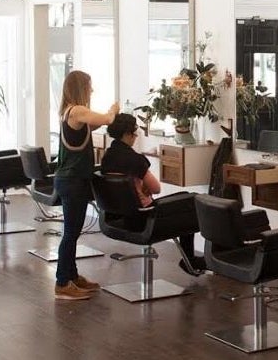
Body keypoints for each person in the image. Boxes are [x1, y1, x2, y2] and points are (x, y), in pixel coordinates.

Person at [101, 113, 204, 275]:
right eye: (134, 133)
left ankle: (190, 259)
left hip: (117, 219)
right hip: (145, 220)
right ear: (127, 134)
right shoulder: (134, 159)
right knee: (191, 200)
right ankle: (190, 259)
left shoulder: (107, 157)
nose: (135, 137)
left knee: (185, 195)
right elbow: (156, 188)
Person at [53, 71, 119, 300]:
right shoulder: (77, 110)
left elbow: (91, 127)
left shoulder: (68, 112)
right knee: (70, 234)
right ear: (81, 87)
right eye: (89, 86)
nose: (92, 90)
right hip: (72, 181)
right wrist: (114, 110)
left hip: (71, 179)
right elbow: (106, 120)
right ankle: (62, 283)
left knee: (73, 231)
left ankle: (72, 275)